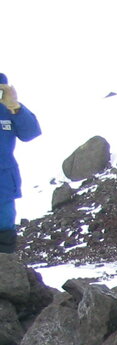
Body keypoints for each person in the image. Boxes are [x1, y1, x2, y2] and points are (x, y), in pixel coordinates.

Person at [0, 72, 41, 254]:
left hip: (3, 183)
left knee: (4, 229)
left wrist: (15, 107)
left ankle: (5, 266)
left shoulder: (8, 110)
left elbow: (30, 133)